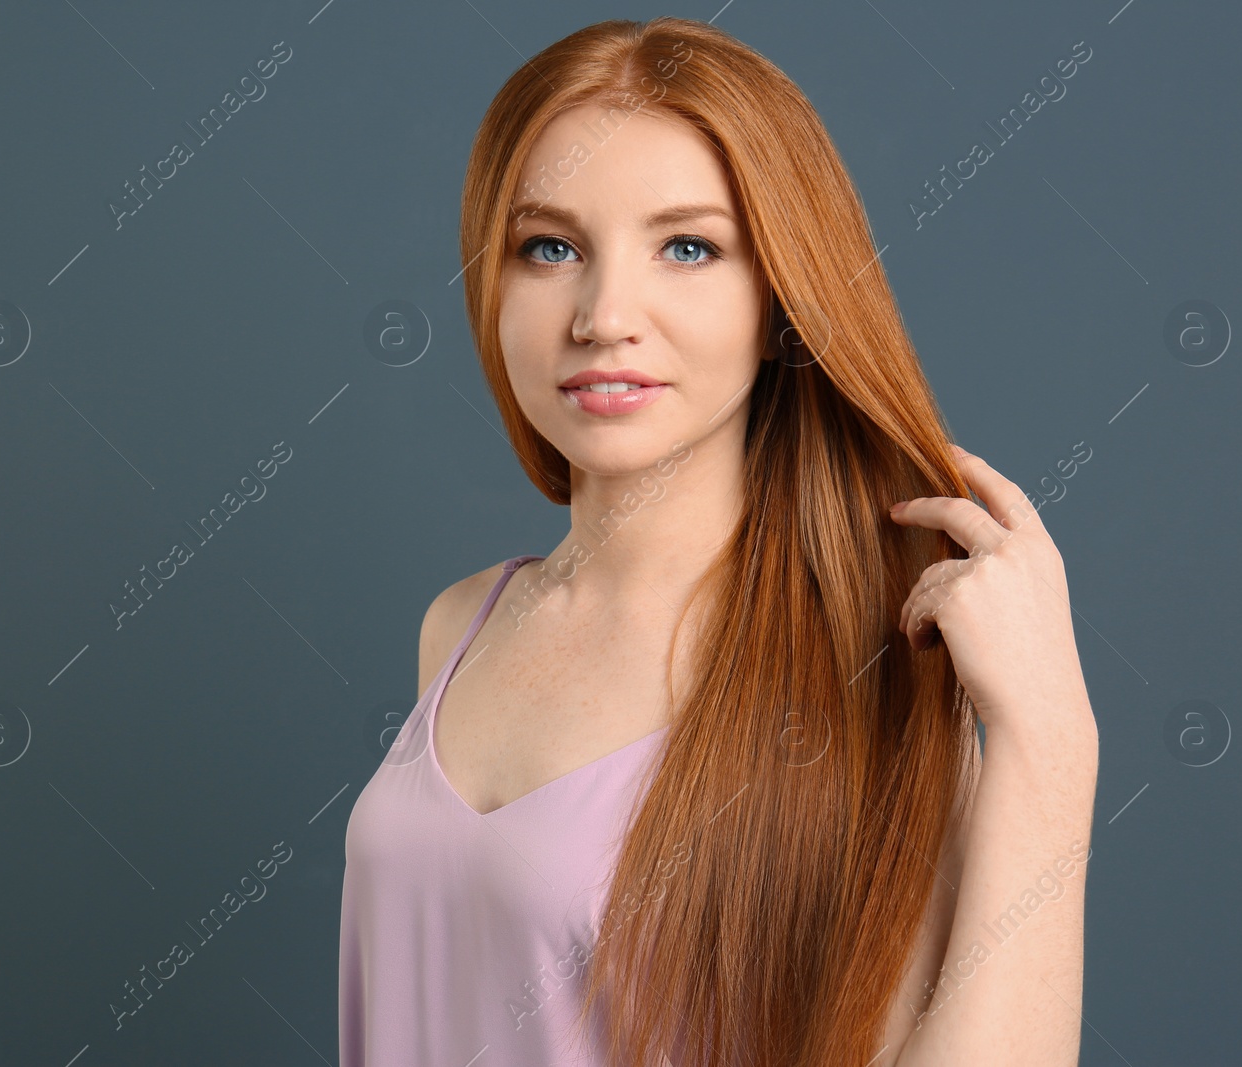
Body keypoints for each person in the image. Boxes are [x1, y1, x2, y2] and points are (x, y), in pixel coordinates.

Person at [340, 16, 1099, 1067]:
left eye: (687, 247)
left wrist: (1052, 745)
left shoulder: (871, 672)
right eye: (548, 246)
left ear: (781, 298)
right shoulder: (457, 626)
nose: (605, 313)